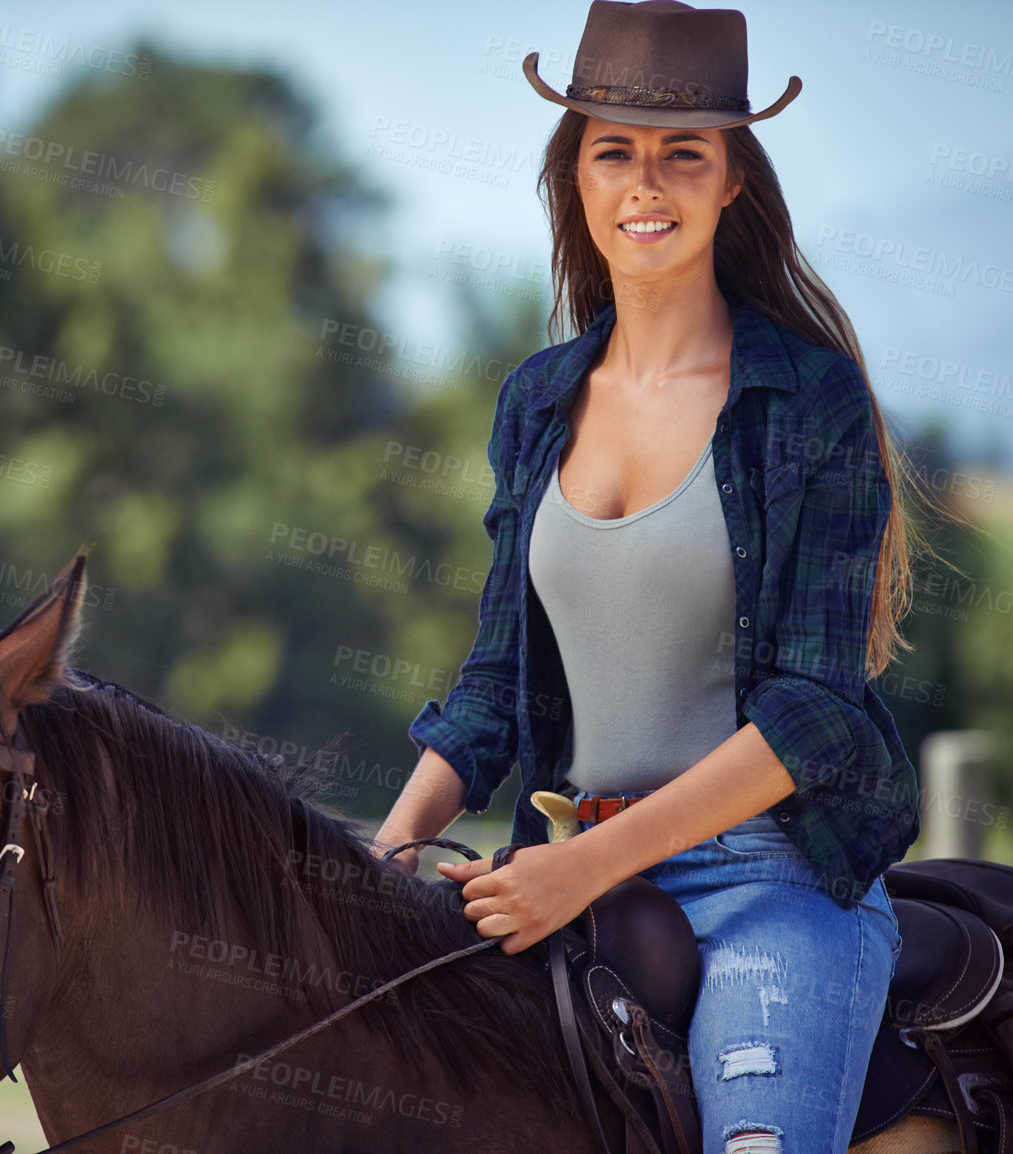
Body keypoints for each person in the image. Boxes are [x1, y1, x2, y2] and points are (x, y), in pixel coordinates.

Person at [372, 3, 934, 1151]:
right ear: (571, 179)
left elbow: (815, 712)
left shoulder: (809, 401)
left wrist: (585, 866)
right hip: (554, 861)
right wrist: (374, 865)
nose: (646, 183)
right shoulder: (535, 401)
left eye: (683, 154)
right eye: (613, 152)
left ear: (731, 181)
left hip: (765, 883)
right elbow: (490, 683)